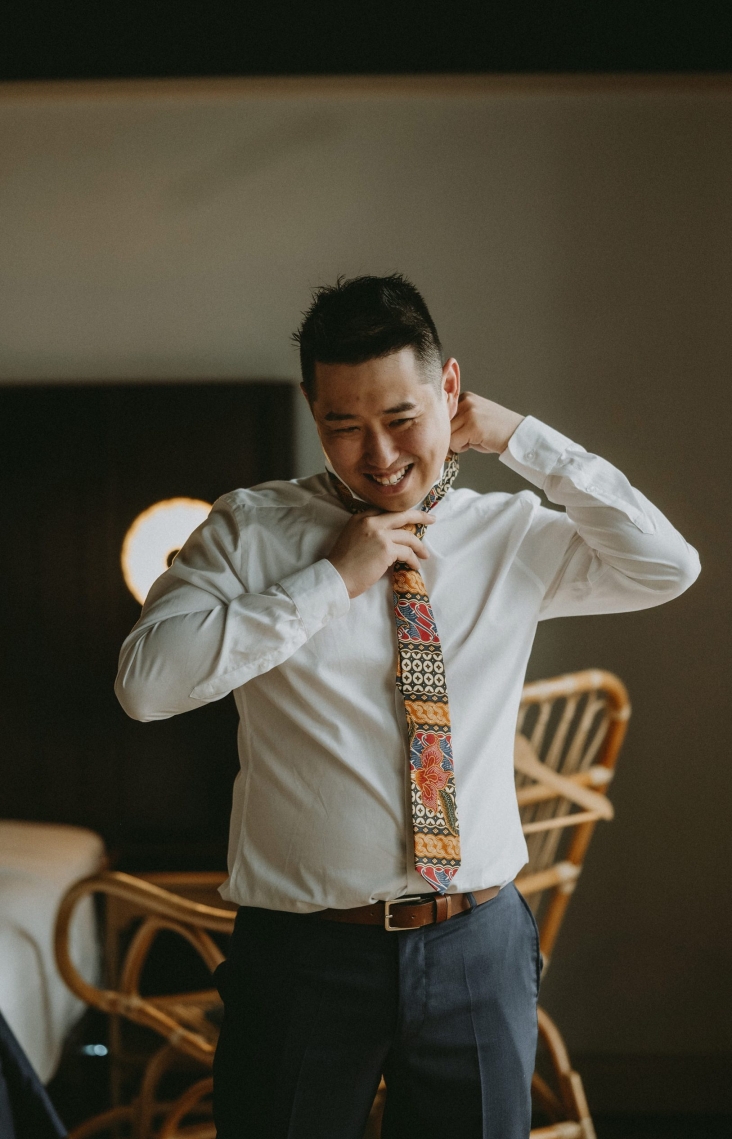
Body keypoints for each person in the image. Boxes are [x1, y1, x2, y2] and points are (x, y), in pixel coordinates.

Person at [115, 274, 700, 1139]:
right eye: (343, 425)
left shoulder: (509, 534)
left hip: (478, 947)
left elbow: (666, 565)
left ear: (450, 391)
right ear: (313, 411)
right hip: (303, 956)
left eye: (401, 418)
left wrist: (526, 439)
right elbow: (145, 685)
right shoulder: (251, 532)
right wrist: (328, 582)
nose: (378, 455)